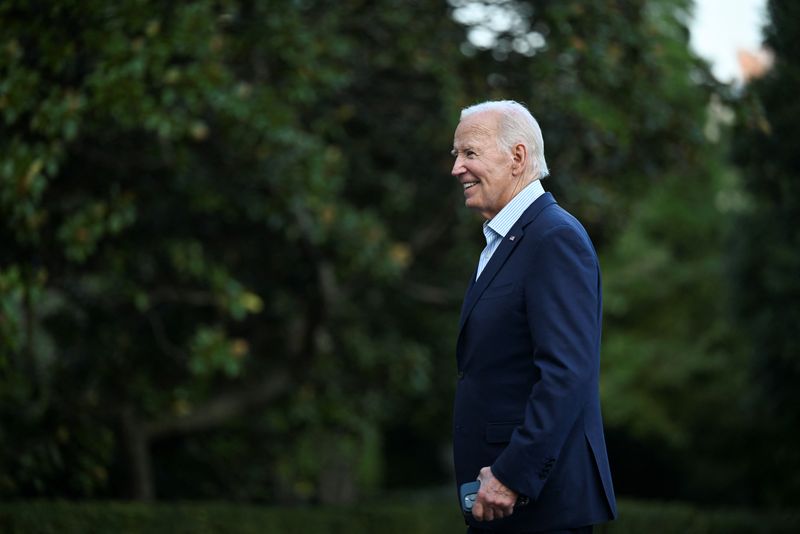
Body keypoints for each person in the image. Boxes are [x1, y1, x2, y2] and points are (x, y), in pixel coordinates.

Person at [450, 100, 616, 533]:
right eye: (456, 155)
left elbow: (566, 374)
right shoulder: (507, 240)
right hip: (501, 500)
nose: (457, 169)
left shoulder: (554, 238)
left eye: (469, 153)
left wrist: (511, 476)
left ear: (517, 157)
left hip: (536, 504)